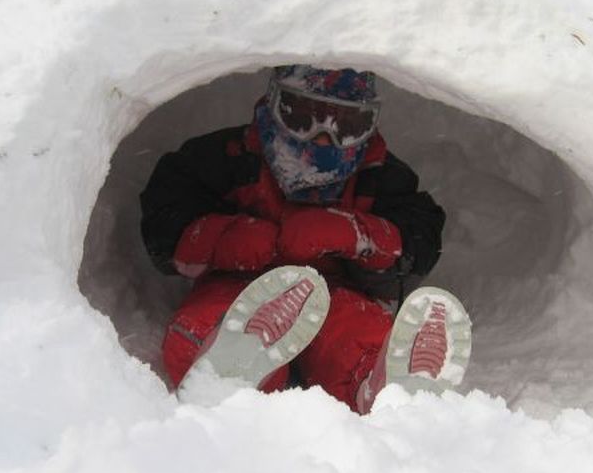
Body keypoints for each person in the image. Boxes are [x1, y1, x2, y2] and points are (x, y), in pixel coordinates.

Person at [140, 65, 471, 413]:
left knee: (357, 332)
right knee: (211, 322)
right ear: (274, 107)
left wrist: (356, 234)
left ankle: (383, 387)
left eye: (346, 125)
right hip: (238, 286)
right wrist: (227, 237)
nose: (323, 138)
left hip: (336, 293)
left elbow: (418, 239)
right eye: (303, 117)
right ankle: (224, 375)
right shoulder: (229, 157)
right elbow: (165, 219)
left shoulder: (379, 174)